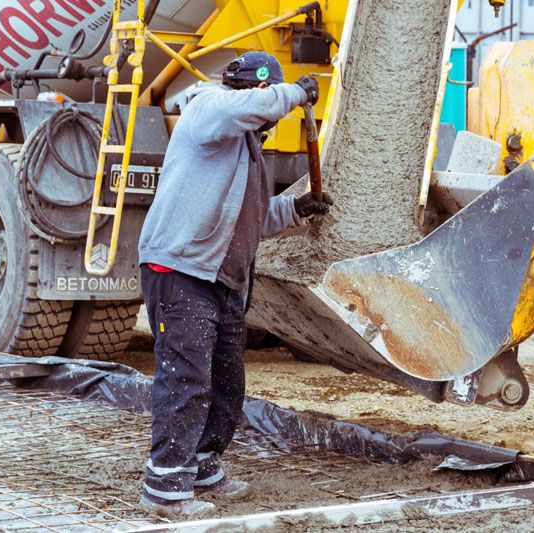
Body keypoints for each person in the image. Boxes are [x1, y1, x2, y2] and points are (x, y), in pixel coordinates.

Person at [136, 51, 333, 517]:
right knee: (185, 377)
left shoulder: (248, 149)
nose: (271, 111)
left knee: (226, 382)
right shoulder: (207, 109)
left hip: (222, 279)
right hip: (182, 270)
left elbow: (248, 219)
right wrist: (295, 93)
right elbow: (239, 108)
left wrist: (295, 210)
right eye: (268, 96)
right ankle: (165, 484)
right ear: (255, 92)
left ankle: (201, 463)